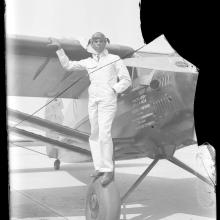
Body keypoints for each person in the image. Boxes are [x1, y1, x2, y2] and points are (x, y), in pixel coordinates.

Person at [48, 32, 131, 186]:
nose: (98, 43)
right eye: (95, 41)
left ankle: (108, 171)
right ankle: (99, 167)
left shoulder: (115, 59)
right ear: (91, 43)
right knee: (94, 135)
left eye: (101, 41)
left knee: (105, 134)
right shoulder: (87, 62)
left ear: (106, 42)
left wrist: (114, 89)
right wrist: (59, 49)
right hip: (93, 101)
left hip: (107, 100)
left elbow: (126, 80)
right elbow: (68, 66)